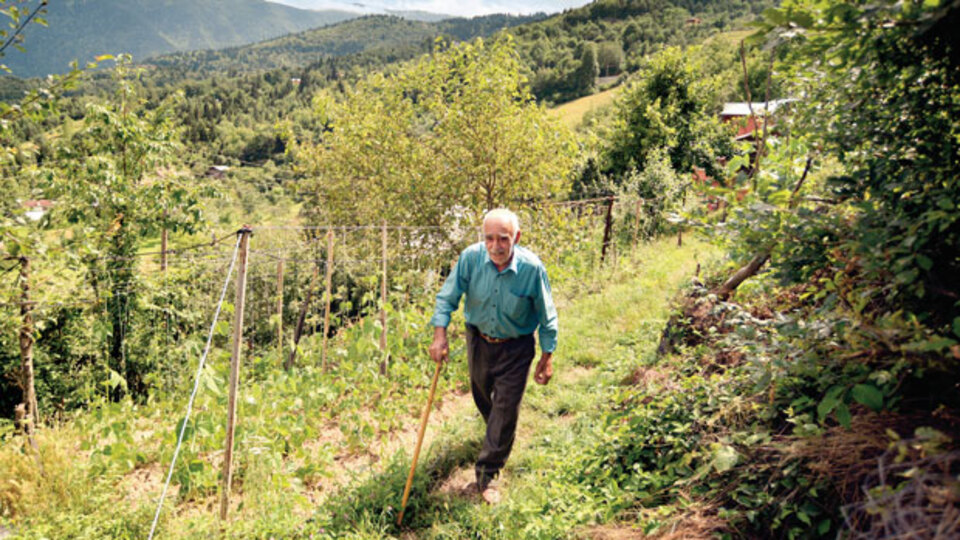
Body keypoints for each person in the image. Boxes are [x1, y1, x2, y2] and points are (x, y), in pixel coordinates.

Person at [428, 208, 558, 504]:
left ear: (517, 237)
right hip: (479, 340)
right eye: (489, 238)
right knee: (482, 394)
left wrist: (547, 356)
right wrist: (440, 334)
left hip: (516, 346)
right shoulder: (471, 259)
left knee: (505, 407)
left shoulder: (532, 269)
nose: (496, 246)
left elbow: (547, 316)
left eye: (503, 239)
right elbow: (447, 297)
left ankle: (488, 473)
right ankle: (498, 435)